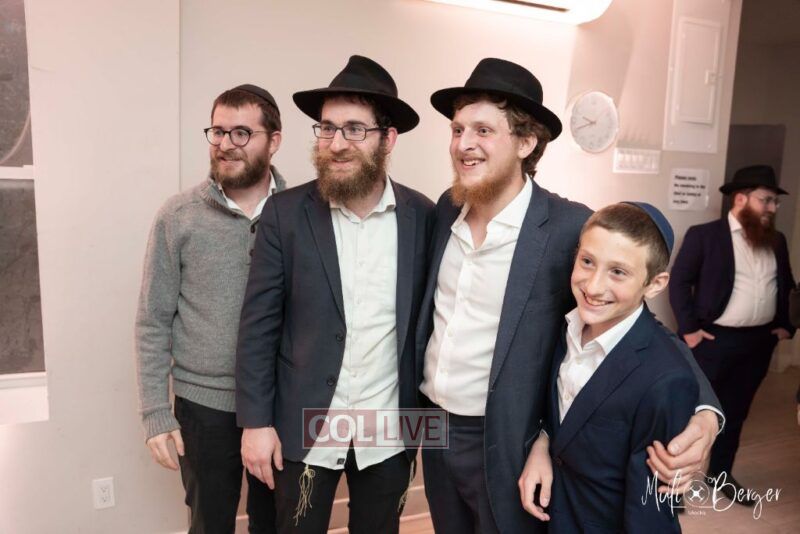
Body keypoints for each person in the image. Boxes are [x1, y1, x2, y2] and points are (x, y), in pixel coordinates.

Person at [415, 58, 724, 533]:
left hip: (507, 435)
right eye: (457, 130)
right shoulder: (445, 208)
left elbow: (640, 325)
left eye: (483, 130)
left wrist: (705, 412)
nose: (463, 144)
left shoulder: (566, 227)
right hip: (434, 426)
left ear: (525, 142)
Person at [235, 55, 435, 533]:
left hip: (390, 430)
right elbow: (258, 326)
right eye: (327, 128)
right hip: (304, 422)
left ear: (388, 139)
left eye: (354, 129)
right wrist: (255, 424)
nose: (337, 143)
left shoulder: (424, 217)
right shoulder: (284, 213)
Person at [135, 84, 285, 533]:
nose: (225, 144)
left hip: (279, 402)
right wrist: (155, 412)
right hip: (202, 407)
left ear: (274, 141)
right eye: (218, 132)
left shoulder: (300, 214)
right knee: (209, 524)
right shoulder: (178, 216)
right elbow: (152, 320)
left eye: (242, 133)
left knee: (276, 524)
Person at [527, 202, 697, 532]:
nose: (592, 287)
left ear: (655, 283)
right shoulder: (566, 327)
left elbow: (651, 508)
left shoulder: (666, 379)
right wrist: (543, 440)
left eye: (618, 272)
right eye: (587, 261)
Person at [669, 164, 796, 504]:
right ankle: (674, 484)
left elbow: (786, 284)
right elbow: (679, 282)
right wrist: (690, 330)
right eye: (766, 200)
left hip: (758, 343)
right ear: (741, 199)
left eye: (775, 202)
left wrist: (786, 325)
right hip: (712, 341)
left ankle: (720, 473)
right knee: (689, 413)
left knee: (736, 412)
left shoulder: (777, 241)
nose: (772, 207)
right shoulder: (704, 235)